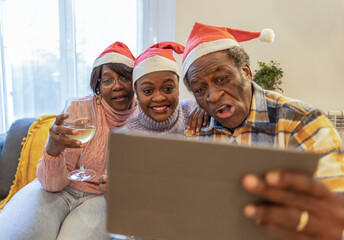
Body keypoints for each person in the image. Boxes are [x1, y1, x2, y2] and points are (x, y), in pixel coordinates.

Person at [182, 22, 344, 239]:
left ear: (247, 73)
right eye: (200, 90)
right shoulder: (196, 128)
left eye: (221, 79)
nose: (212, 96)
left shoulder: (302, 121)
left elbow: (334, 209)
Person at [0, 41, 140, 240]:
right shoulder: (79, 109)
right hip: (56, 191)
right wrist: (53, 150)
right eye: (107, 80)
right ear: (98, 86)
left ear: (135, 81)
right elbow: (52, 185)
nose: (117, 86)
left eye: (124, 77)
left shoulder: (143, 119)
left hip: (101, 199)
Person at [99, 41, 208, 193]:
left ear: (178, 88)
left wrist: (207, 107)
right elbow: (119, 200)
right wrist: (111, 192)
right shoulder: (126, 137)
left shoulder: (195, 112)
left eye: (168, 88)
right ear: (136, 92)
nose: (158, 98)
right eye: (148, 91)